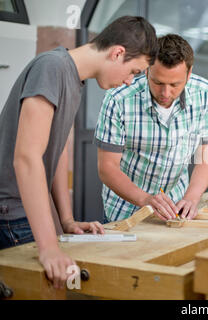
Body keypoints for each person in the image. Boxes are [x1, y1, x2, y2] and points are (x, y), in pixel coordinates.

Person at [0, 16, 158, 289]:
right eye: (134, 71)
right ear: (117, 53)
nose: (131, 81)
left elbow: (57, 149)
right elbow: (26, 158)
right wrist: (48, 247)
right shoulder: (51, 67)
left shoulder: (74, 79)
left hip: (23, 211)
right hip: (10, 214)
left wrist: (66, 219)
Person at [95, 34, 208, 223]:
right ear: (146, 70)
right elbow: (107, 167)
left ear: (189, 73)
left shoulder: (204, 93)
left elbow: (207, 155)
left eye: (175, 84)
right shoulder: (118, 98)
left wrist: (191, 197)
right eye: (158, 82)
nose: (165, 93)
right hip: (125, 212)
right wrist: (145, 199)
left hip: (177, 209)